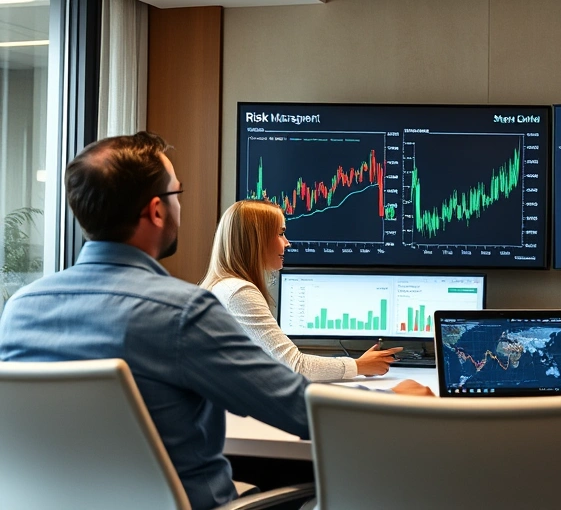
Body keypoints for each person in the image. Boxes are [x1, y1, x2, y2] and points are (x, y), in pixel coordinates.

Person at [0, 133, 432, 510]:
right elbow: (299, 409)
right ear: (155, 211)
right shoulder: (183, 314)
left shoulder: (20, 307)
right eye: (177, 194)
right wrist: (393, 402)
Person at [200, 200, 400, 382]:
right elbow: (295, 366)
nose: (287, 242)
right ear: (257, 240)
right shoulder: (239, 292)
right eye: (280, 233)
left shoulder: (223, 286)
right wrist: (359, 365)